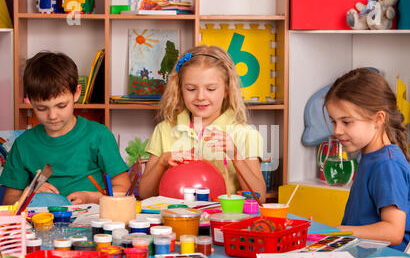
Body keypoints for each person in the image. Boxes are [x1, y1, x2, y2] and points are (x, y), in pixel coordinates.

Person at [0, 51, 130, 205]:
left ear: (76, 93)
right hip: (42, 224)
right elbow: (8, 202)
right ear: (30, 101)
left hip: (90, 221)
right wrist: (28, 193)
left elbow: (123, 188)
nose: (52, 116)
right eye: (41, 108)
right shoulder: (23, 144)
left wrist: (92, 197)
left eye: (61, 105)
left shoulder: (99, 135)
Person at [139, 45, 266, 202]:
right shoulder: (165, 129)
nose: (200, 96)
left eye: (211, 89)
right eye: (191, 89)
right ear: (180, 90)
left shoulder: (245, 134)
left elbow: (260, 198)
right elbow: (145, 194)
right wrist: (162, 161)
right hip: (175, 221)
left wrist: (236, 156)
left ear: (227, 89)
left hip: (223, 222)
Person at [324, 68, 410, 251]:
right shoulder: (373, 157)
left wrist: (340, 231)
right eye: (334, 121)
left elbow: (393, 232)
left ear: (378, 119)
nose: (336, 131)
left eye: (346, 122)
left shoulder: (387, 165)